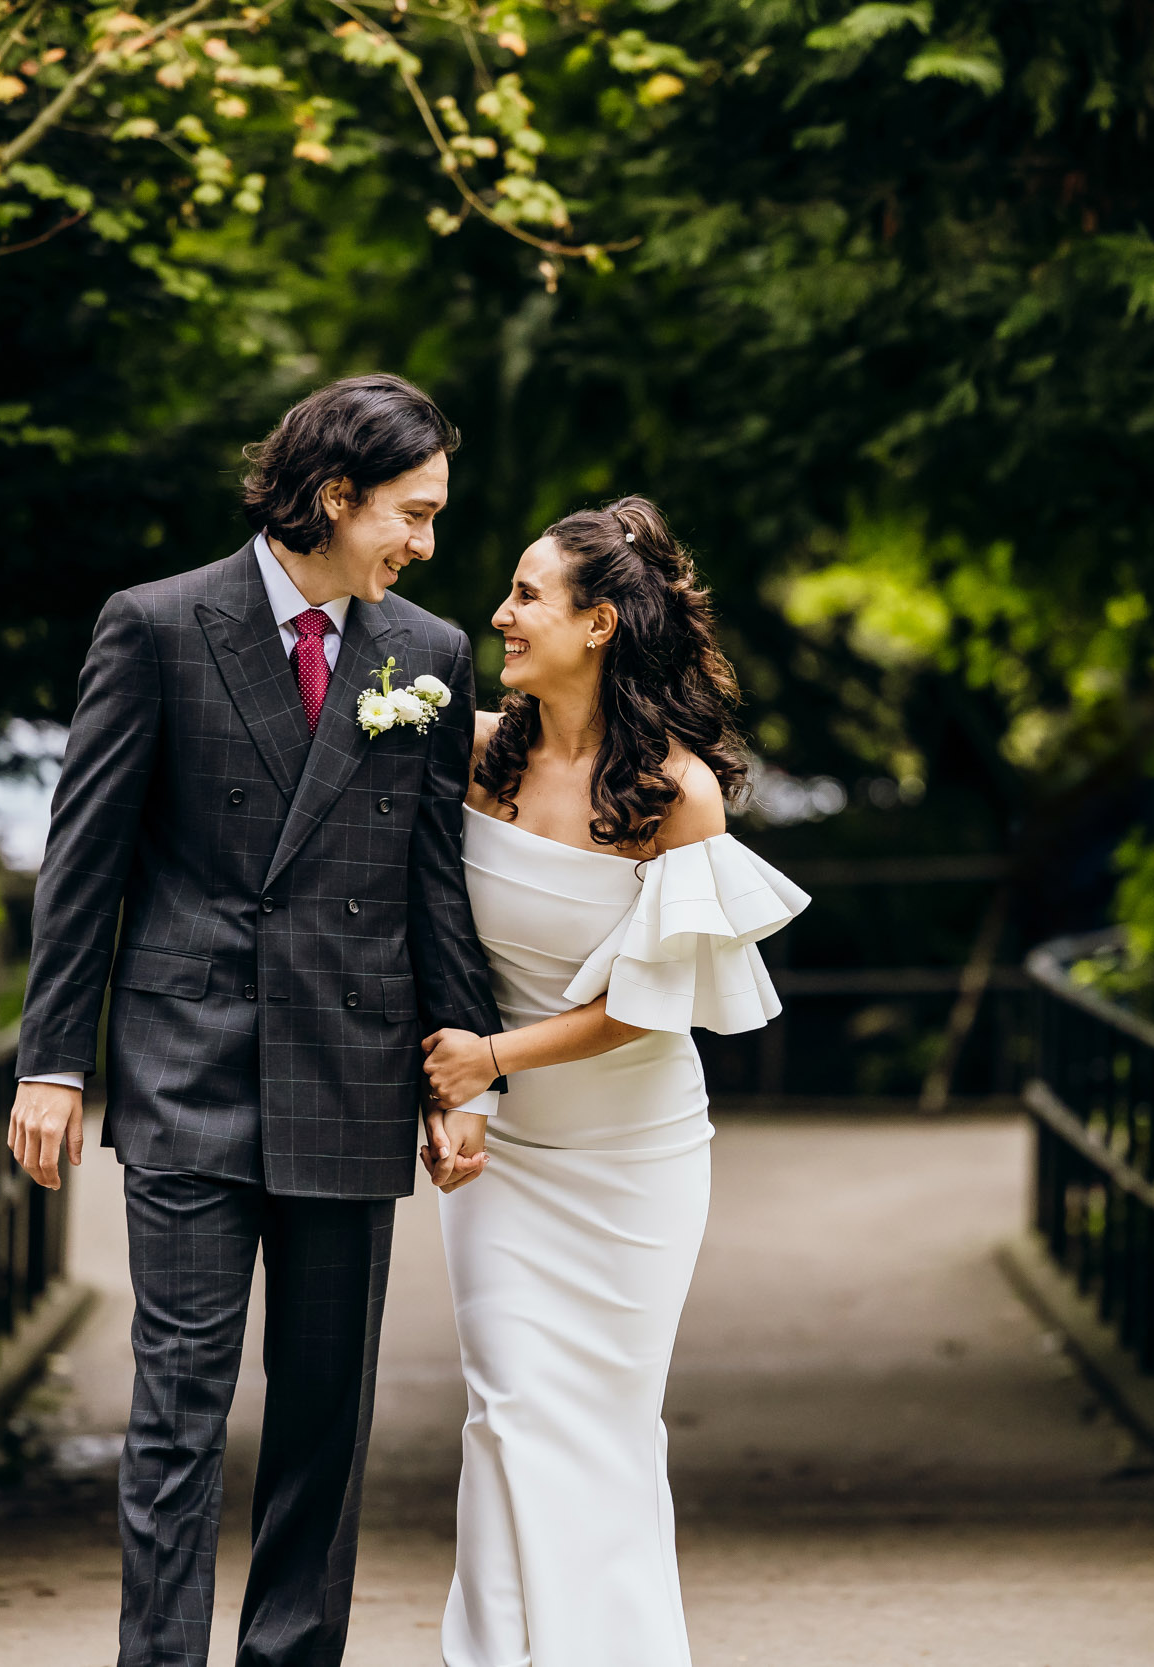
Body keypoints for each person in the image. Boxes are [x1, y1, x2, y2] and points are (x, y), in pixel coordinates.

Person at [6, 373, 503, 1667]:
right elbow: (85, 860)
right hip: (188, 1071)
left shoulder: (430, 653)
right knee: (176, 1407)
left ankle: (291, 1655)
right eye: (414, 511)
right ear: (336, 495)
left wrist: (464, 1077)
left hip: (350, 1070)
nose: (426, 544)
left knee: (324, 1414)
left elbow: (432, 881)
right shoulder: (159, 625)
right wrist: (54, 1060)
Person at [417, 496, 809, 1667]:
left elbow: (651, 1006)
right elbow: (429, 934)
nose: (500, 613)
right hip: (506, 1157)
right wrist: (459, 1096)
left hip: (632, 1156)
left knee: (604, 1421)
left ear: (597, 624)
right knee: (507, 1410)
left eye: (527, 594)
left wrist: (490, 1058)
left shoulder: (675, 793)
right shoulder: (476, 751)